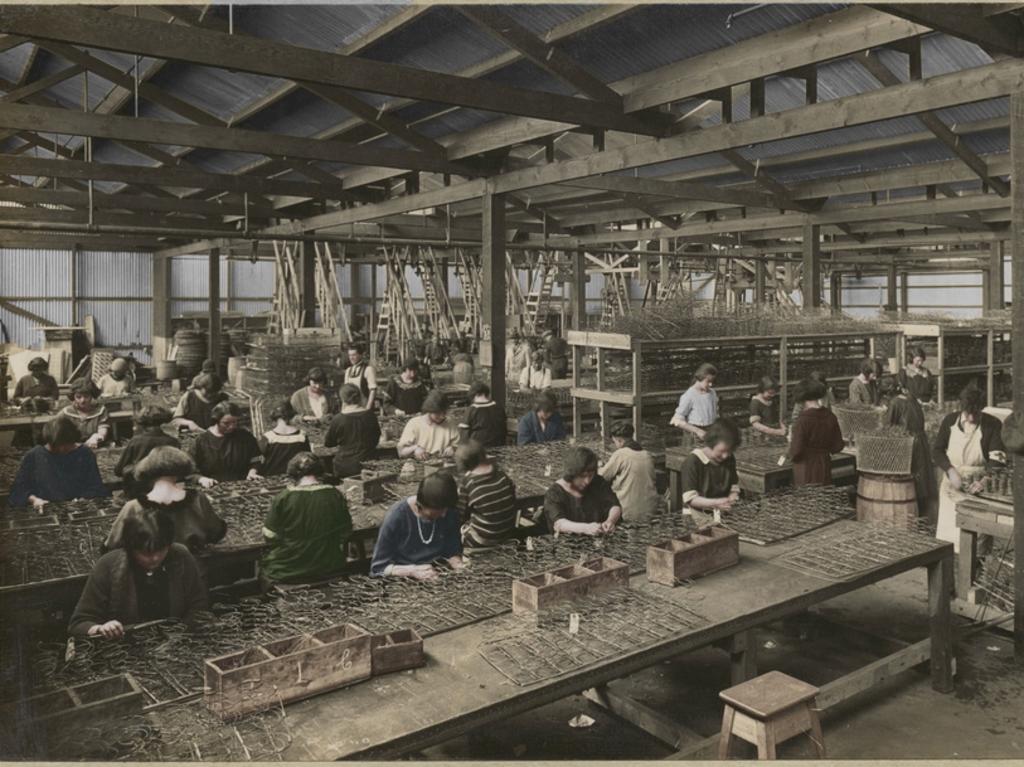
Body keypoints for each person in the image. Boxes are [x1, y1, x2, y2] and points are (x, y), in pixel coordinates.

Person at [69, 509, 209, 638]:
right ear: (131, 549)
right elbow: (79, 623)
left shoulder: (180, 556)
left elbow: (198, 605)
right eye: (145, 553)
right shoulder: (108, 565)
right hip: (126, 648)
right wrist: (101, 628)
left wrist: (180, 632)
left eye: (161, 550)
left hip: (176, 642)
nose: (154, 558)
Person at [104, 446, 226, 552]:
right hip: (193, 567)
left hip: (151, 570)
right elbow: (215, 532)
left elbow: (113, 544)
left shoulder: (133, 506)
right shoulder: (198, 498)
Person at [260, 453, 354, 585]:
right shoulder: (334, 494)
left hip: (288, 569)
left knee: (265, 566)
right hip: (329, 565)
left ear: (292, 474)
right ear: (320, 472)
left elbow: (270, 535)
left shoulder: (284, 497)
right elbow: (346, 531)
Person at [932, 385, 1007, 548]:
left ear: (981, 409)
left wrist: (983, 481)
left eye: (976, 413)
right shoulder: (950, 421)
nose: (972, 418)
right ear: (962, 409)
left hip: (978, 487)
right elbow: (937, 451)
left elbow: (998, 460)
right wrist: (950, 470)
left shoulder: (992, 425)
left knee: (976, 541)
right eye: (968, 413)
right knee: (949, 539)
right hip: (951, 485)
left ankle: (976, 570)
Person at [371, 472, 465, 579]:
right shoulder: (397, 517)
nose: (443, 515)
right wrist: (411, 571)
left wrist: (457, 563)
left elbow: (452, 549)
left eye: (445, 509)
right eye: (438, 511)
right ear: (420, 505)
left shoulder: (447, 511)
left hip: (439, 575)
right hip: (405, 580)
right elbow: (378, 568)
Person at [8, 416, 110, 508]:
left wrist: (82, 500)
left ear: (73, 439)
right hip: (44, 509)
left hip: (80, 509)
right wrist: (34, 500)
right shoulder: (34, 456)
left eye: (66, 445)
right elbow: (19, 490)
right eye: (56, 447)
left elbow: (96, 487)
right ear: (49, 441)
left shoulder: (85, 454)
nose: (62, 450)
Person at [538, 446, 622, 536]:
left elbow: (614, 505)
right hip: (567, 546)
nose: (587, 481)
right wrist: (586, 528)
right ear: (572, 474)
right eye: (582, 476)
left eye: (590, 475)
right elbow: (560, 523)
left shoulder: (598, 482)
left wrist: (610, 521)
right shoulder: (555, 493)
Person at [885, 378, 937, 519]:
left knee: (910, 479)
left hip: (907, 444)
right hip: (920, 442)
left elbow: (889, 427)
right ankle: (923, 512)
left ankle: (912, 512)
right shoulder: (913, 401)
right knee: (921, 478)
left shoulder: (896, 403)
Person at [455, 441, 518, 549]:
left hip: (482, 540)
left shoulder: (468, 483)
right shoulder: (502, 475)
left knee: (450, 531)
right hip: (508, 533)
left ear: (465, 463)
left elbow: (460, 515)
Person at [190, 401, 262, 486]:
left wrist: (252, 472)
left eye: (235, 422)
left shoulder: (245, 437)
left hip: (243, 485)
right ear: (216, 421)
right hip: (212, 485)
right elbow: (189, 470)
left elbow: (256, 459)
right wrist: (201, 479)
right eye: (226, 423)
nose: (232, 426)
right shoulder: (202, 441)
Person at [600, 421, 660, 523]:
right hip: (650, 510)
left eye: (614, 442)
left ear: (619, 440)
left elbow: (602, 476)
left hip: (628, 512)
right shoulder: (647, 454)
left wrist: (600, 466)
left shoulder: (620, 454)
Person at [789, 378, 845, 486]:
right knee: (823, 496)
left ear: (803, 398)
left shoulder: (803, 420)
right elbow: (838, 446)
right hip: (824, 463)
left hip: (806, 466)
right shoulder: (830, 416)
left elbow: (796, 451)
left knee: (808, 499)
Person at [114, 406, 180, 498]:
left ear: (142, 423)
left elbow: (118, 470)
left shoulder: (136, 441)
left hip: (138, 491)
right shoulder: (173, 442)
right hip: (165, 491)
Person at [679, 419, 741, 513]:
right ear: (712, 443)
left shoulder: (729, 458)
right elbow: (690, 499)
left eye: (730, 451)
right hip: (697, 515)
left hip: (721, 511)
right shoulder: (693, 462)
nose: (725, 455)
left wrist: (733, 496)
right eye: (722, 451)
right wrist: (716, 503)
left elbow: (733, 485)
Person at [324, 384, 382, 478]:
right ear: (359, 397)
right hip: (368, 463)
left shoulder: (338, 419)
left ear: (343, 399)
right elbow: (376, 438)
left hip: (345, 465)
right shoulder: (370, 416)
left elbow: (329, 443)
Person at [397, 391, 460, 461]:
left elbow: (460, 447)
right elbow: (401, 452)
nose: (442, 416)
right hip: (418, 465)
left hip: (442, 464)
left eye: (444, 413)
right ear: (429, 410)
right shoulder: (414, 423)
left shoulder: (450, 422)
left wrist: (453, 448)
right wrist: (415, 448)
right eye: (438, 413)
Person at [259, 400, 312, 477]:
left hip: (272, 478)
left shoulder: (268, 437)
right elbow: (308, 459)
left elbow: (258, 461)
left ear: (274, 416)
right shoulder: (302, 435)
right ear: (291, 415)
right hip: (296, 477)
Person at [670, 363, 719, 440]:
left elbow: (715, 414)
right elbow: (676, 420)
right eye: (708, 381)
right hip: (694, 436)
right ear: (700, 377)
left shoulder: (712, 393)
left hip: (710, 433)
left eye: (712, 381)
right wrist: (697, 431)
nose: (710, 384)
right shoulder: (689, 395)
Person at [60, 379, 110, 448]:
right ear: (73, 397)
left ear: (92, 396)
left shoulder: (100, 411)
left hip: (94, 447)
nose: (82, 400)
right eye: (78, 397)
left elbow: (102, 431)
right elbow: (56, 432)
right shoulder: (66, 412)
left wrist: (97, 437)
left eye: (86, 396)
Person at [458, 382, 507, 448]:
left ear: (473, 395)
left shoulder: (471, 410)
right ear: (487, 394)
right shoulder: (499, 407)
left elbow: (463, 437)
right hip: (499, 447)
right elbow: (503, 429)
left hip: (478, 450)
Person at [342, 344, 378, 411]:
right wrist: (343, 409)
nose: (351, 358)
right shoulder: (348, 371)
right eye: (350, 355)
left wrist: (368, 409)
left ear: (360, 355)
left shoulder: (368, 369)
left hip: (363, 407)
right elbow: (345, 392)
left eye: (354, 355)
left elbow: (373, 391)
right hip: (350, 408)